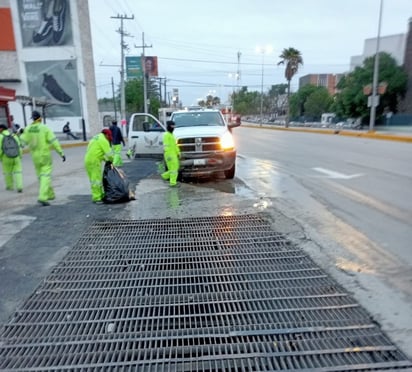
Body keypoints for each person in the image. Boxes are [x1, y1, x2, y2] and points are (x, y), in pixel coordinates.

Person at [19, 110, 66, 206]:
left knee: (41, 176)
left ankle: (50, 194)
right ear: (40, 118)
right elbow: (54, 141)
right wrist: (61, 153)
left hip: (35, 157)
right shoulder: (44, 128)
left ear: (32, 119)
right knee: (46, 176)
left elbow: (22, 143)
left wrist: (20, 134)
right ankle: (43, 197)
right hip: (44, 155)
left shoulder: (27, 129)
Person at [84, 128, 114, 204]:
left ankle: (99, 195)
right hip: (94, 161)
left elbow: (97, 151)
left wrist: (105, 160)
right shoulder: (103, 140)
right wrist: (111, 161)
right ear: (107, 135)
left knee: (94, 179)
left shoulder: (96, 137)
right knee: (96, 180)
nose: (109, 139)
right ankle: (97, 198)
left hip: (87, 160)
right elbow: (109, 154)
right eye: (109, 137)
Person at [0, 124, 23, 192]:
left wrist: (0, 157)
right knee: (18, 172)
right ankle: (19, 187)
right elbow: (19, 147)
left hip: (6, 157)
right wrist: (20, 156)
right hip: (16, 157)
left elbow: (0, 149)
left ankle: (10, 186)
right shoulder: (14, 135)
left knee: (7, 173)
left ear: (1, 129)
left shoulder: (0, 137)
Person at [161, 120, 180, 187]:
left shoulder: (172, 135)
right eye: (172, 126)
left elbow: (175, 145)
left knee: (175, 168)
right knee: (173, 169)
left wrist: (178, 153)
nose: (173, 127)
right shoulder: (166, 135)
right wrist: (168, 155)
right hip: (170, 155)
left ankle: (164, 176)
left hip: (173, 154)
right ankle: (172, 183)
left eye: (174, 126)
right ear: (168, 126)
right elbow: (166, 146)